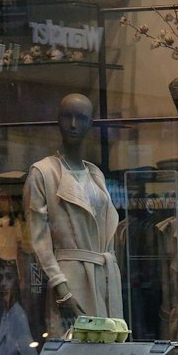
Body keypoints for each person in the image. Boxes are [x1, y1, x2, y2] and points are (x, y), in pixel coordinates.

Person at [26, 93, 123, 334]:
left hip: (104, 275)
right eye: (66, 117)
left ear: (91, 123)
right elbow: (39, 241)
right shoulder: (43, 173)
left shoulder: (95, 174)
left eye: (80, 118)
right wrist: (61, 288)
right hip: (71, 279)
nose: (73, 125)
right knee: (74, 351)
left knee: (108, 351)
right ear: (57, 121)